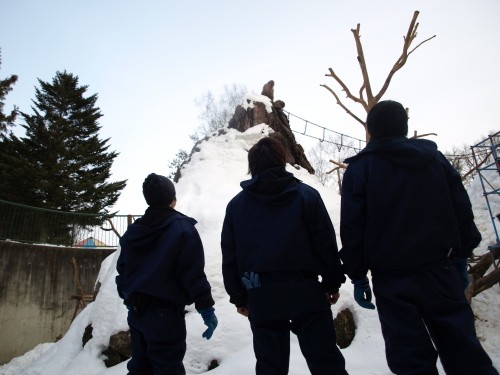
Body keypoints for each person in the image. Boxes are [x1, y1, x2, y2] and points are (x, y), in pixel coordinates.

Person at [339, 100, 499, 375]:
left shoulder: (360, 170)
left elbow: (353, 229)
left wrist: (357, 275)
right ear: (406, 126)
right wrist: (460, 258)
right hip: (441, 271)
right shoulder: (434, 160)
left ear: (371, 129)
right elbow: (462, 209)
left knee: (410, 359)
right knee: (464, 350)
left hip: (392, 280)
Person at [221, 137, 348, 375]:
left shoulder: (237, 206)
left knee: (270, 366)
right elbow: (325, 243)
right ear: (283, 160)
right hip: (305, 289)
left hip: (261, 294)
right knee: (326, 361)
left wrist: (239, 297)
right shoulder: (306, 195)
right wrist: (332, 282)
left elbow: (230, 256)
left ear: (252, 165)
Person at [116, 173, 218, 375]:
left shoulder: (133, 231)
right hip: (166, 315)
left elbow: (123, 270)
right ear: (173, 199)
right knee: (167, 367)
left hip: (137, 312)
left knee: (140, 367)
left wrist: (127, 297)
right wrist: (206, 307)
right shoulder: (181, 229)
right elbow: (192, 273)